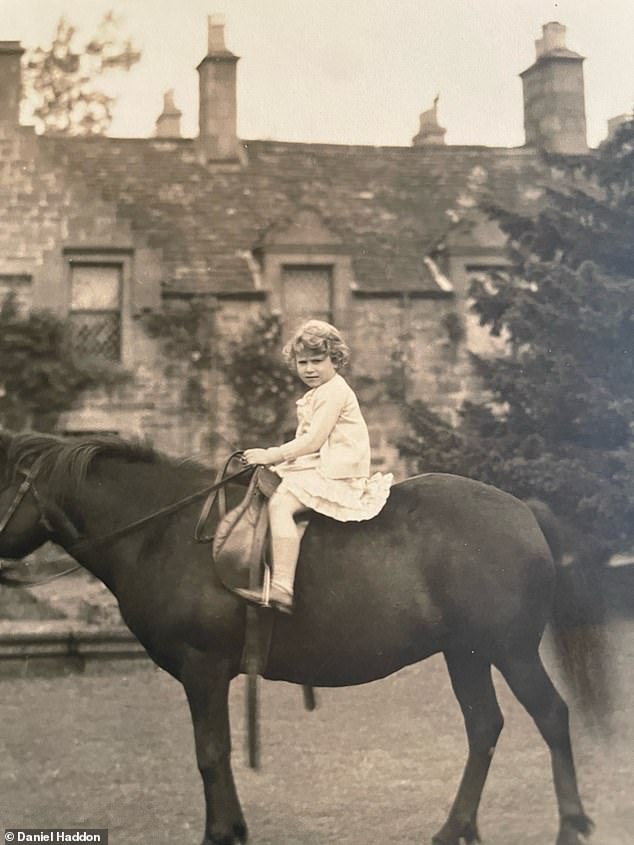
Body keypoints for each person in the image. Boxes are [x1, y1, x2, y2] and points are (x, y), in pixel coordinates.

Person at [236, 319, 393, 613]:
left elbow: (313, 440)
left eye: (317, 361)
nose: (309, 369)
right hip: (324, 464)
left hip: (337, 471)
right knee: (268, 485)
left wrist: (272, 454)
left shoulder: (334, 391)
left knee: (281, 504)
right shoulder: (319, 392)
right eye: (302, 362)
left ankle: (283, 586)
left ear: (335, 359)